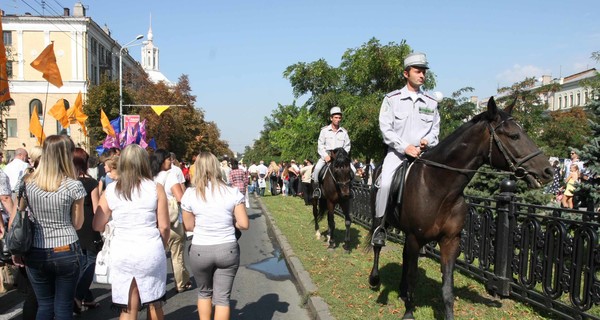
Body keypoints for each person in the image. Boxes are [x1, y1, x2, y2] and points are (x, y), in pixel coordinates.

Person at [9, 135, 86, 319]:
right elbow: (77, 223)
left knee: (44, 305)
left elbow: (18, 216)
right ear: (67, 155)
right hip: (66, 247)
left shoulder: (27, 183)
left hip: (36, 249)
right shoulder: (74, 186)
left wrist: (14, 248)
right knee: (63, 306)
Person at [93, 144, 169, 320]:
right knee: (154, 302)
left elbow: (97, 224)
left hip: (122, 250)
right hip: (150, 247)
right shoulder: (155, 188)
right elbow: (164, 226)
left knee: (128, 306)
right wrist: (161, 245)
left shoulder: (112, 189)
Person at [372, 52, 440, 247]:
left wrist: (427, 140)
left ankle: (430, 230)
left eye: (424, 72)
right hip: (397, 153)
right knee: (384, 184)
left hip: (424, 155)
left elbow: (435, 129)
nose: (422, 75)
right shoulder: (391, 99)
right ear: (405, 73)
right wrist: (405, 147)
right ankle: (380, 226)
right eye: (418, 71)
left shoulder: (431, 101)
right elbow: (386, 129)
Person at [181, 152, 249, 320]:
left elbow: (189, 226)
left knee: (204, 293)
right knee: (223, 298)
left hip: (200, 249)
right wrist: (230, 223)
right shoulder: (231, 192)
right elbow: (244, 224)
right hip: (227, 248)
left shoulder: (190, 194)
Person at [150, 149, 191, 294]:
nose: (171, 161)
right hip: (172, 220)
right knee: (177, 254)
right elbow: (180, 198)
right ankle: (180, 283)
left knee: (157, 256)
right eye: (168, 159)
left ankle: (155, 286)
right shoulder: (171, 176)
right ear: (161, 160)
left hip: (154, 220)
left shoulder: (150, 177)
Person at [73, 148, 101, 313]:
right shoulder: (91, 182)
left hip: (74, 223)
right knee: (90, 260)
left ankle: (86, 298)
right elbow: (96, 207)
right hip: (89, 224)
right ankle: (77, 295)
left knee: (80, 261)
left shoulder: (68, 181)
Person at [312, 107, 354, 198]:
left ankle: (350, 190)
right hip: (327, 156)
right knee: (316, 170)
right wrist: (325, 156)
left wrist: (342, 157)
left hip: (341, 159)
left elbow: (347, 146)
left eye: (339, 118)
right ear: (331, 118)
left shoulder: (344, 132)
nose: (338, 120)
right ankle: (317, 190)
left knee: (353, 171)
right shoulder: (324, 131)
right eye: (336, 117)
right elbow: (320, 145)